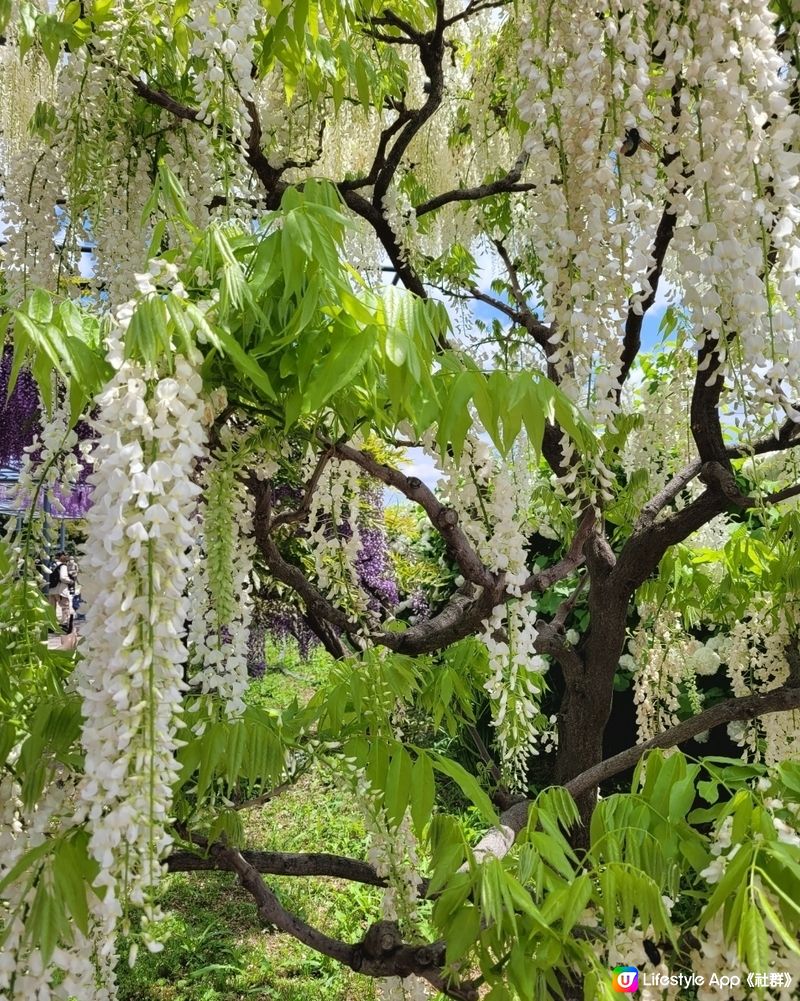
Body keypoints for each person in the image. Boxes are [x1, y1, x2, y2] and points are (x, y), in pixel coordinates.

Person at [48, 552, 73, 634]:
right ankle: (64, 625)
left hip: (51, 590)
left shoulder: (50, 565)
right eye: (65, 555)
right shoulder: (63, 566)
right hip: (61, 590)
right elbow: (63, 577)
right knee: (65, 607)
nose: (67, 557)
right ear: (61, 556)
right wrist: (71, 581)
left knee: (51, 608)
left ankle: (51, 626)